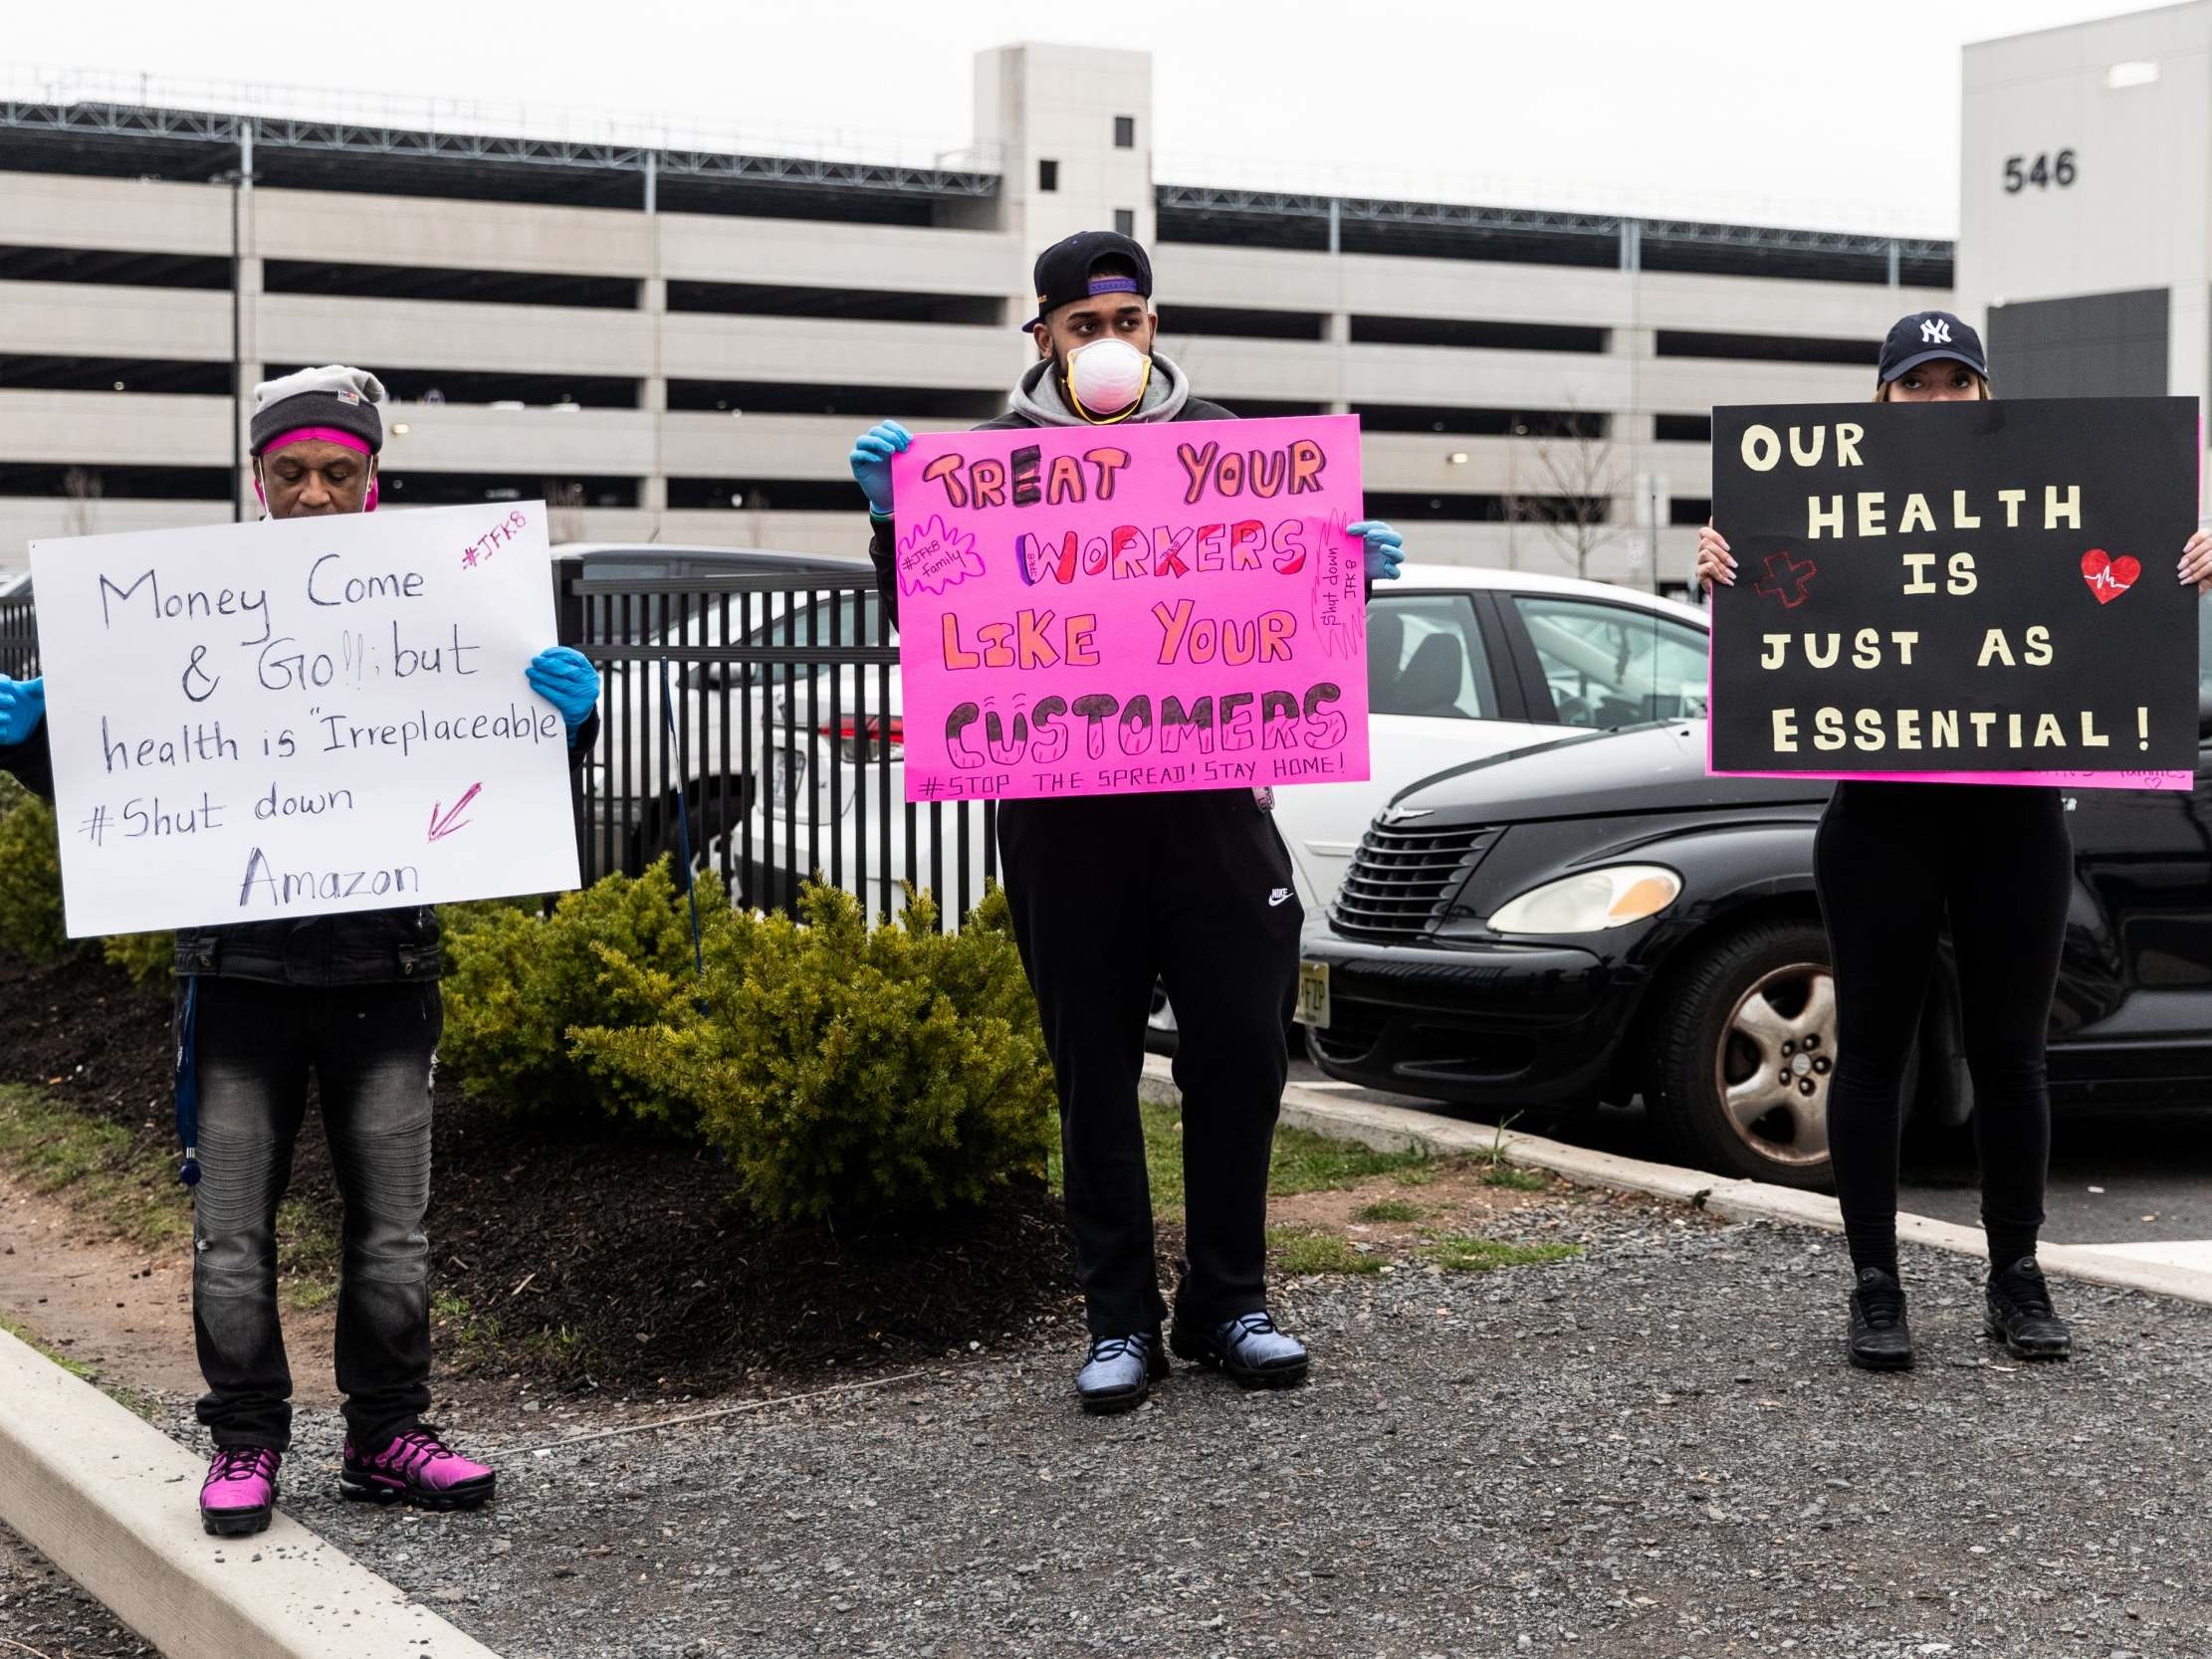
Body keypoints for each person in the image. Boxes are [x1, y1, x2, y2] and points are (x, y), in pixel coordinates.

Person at [0, 365, 605, 1535]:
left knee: (393, 1225)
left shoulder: (446, 606)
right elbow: (128, 801)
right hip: (236, 979)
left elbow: (486, 777)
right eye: (292, 473)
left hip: (385, 972)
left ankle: (386, 1433)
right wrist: (31, 753)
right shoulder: (181, 607)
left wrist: (567, 728)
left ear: (375, 477)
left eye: (340, 470)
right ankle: (243, 1440)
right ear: (257, 481)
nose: (317, 493)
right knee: (231, 1226)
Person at [846, 231, 1406, 1413]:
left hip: (1212, 810)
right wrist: (895, 524)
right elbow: (938, 632)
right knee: (1089, 1068)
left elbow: (1280, 614)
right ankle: (1117, 1318)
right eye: (1084, 325)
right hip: (1063, 819)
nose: (1110, 345)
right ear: (1043, 335)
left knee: (1242, 1056)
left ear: (1155, 327)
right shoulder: (987, 465)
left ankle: (1228, 1301)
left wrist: (1345, 573)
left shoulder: (1236, 448)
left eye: (1129, 321)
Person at [1697, 311, 2212, 1371]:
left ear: (1985, 397)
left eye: (1954, 383)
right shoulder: (1818, 498)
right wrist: (1720, 575)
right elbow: (1776, 659)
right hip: (1879, 820)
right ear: (1880, 399)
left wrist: (2191, 566)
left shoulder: (2052, 489)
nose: (1935, 400)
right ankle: (1874, 1284)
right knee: (1873, 1052)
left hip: (2011, 818)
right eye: (1914, 384)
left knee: (2009, 1056)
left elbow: (2111, 618)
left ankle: (2015, 1274)